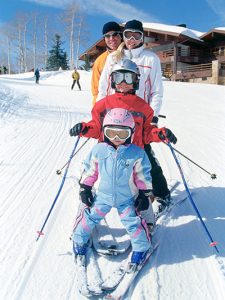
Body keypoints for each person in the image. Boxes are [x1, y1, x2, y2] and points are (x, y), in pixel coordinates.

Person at [69, 59, 177, 221]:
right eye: (119, 77)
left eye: (129, 78)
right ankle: (86, 206)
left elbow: (146, 133)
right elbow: (97, 127)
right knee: (95, 173)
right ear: (112, 80)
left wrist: (160, 134)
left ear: (136, 81)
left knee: (141, 183)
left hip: (134, 155)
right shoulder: (102, 105)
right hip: (108, 154)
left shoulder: (143, 108)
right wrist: (84, 128)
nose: (123, 83)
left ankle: (146, 218)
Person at [96, 19, 171, 213]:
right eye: (128, 34)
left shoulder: (150, 59)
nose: (131, 39)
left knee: (146, 157)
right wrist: (102, 115)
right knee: (111, 157)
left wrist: (152, 117)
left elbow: (157, 91)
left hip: (140, 118)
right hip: (116, 117)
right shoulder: (114, 58)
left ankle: (162, 193)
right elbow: (103, 88)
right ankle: (107, 193)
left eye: (136, 35)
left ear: (142, 37)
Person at [72, 108, 153, 266]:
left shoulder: (137, 153)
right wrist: (85, 188)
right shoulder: (99, 150)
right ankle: (78, 240)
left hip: (126, 199)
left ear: (131, 133)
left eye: (122, 134)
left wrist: (144, 194)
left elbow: (143, 175)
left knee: (133, 223)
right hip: (103, 197)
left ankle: (141, 248)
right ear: (104, 132)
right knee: (89, 217)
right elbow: (90, 171)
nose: (116, 138)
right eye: (111, 133)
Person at [91, 21, 122, 105]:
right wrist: (97, 110)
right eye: (107, 36)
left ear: (120, 36)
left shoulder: (130, 55)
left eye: (114, 34)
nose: (111, 38)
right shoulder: (99, 61)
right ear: (104, 39)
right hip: (108, 107)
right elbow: (96, 91)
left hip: (128, 106)